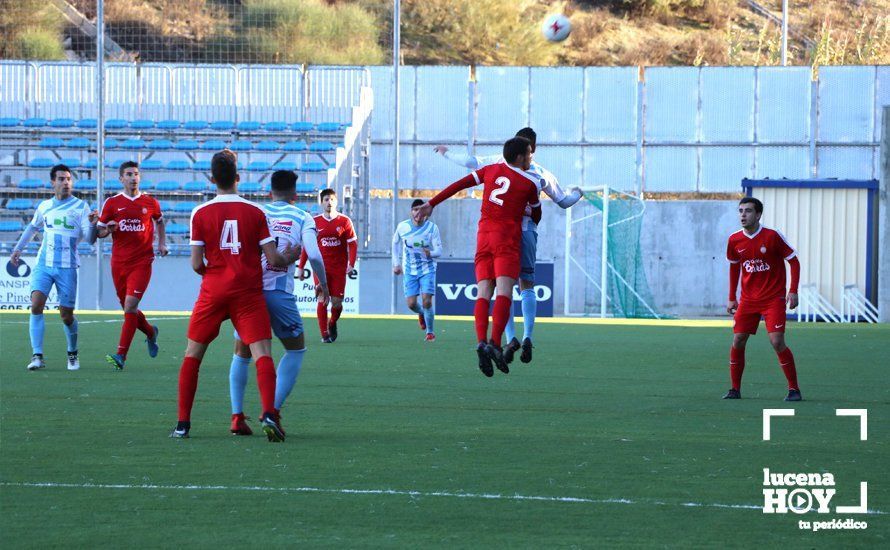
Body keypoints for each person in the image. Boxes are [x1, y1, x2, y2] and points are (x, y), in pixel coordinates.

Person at [170, 150, 299, 441]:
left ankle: (182, 424)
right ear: (238, 178)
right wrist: (290, 255)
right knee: (262, 353)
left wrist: (213, 275)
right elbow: (273, 259)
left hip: (213, 291)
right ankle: (268, 413)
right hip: (247, 292)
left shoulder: (200, 212)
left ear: (213, 178)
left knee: (193, 356)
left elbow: (195, 263)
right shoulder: (255, 212)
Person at [435, 127, 583, 364]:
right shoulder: (541, 175)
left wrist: (446, 154)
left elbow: (470, 162)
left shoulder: (497, 161)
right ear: (530, 150)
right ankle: (527, 337)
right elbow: (562, 202)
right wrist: (578, 193)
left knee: (501, 288)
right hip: (521, 233)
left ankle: (506, 338)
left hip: (490, 231)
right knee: (526, 285)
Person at [415, 137, 541, 377]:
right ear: (519, 157)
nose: (531, 158)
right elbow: (536, 214)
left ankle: (481, 342)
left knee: (484, 292)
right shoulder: (531, 182)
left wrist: (432, 203)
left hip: (484, 236)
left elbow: (460, 184)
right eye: (529, 154)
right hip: (507, 240)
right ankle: (494, 343)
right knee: (504, 292)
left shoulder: (490, 170)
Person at [228, 170, 329, 436]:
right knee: (296, 350)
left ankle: (237, 417)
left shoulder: (255, 212)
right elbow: (315, 255)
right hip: (279, 295)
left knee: (242, 353)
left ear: (269, 193)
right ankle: (271, 411)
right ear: (295, 195)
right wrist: (324, 286)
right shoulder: (302, 216)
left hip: (248, 293)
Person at [11, 164, 98, 371]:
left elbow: (90, 239)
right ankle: (37, 356)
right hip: (44, 264)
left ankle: (72, 353)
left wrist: (94, 224)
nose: (66, 182)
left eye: (68, 179)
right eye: (61, 179)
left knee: (66, 315)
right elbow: (33, 227)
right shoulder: (44, 206)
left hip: (67, 267)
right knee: (36, 305)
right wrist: (18, 249)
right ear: (53, 182)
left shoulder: (81, 207)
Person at [724, 197, 802, 402]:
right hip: (748, 300)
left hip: (773, 298)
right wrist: (732, 297)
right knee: (738, 339)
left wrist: (793, 291)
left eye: (748, 211)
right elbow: (734, 267)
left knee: (777, 341)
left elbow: (794, 261)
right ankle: (734, 389)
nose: (743, 215)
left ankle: (794, 389)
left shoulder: (772, 236)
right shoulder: (734, 240)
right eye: (740, 211)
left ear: (758, 215)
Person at [96, 161, 168, 370]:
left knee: (129, 306)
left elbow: (160, 221)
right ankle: (151, 332)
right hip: (118, 263)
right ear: (121, 179)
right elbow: (99, 232)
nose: (133, 177)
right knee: (130, 309)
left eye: (136, 174)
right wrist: (108, 229)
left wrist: (162, 243)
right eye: (129, 174)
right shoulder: (112, 203)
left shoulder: (150, 202)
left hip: (142, 261)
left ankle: (121, 355)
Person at [298, 188, 357, 343]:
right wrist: (301, 266)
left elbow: (353, 243)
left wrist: (351, 263)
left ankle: (332, 323)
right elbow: (307, 246)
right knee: (322, 298)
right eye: (326, 199)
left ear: (336, 202)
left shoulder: (345, 221)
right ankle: (324, 334)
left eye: (332, 199)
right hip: (320, 268)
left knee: (337, 303)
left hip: (338, 268)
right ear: (321, 202)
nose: (329, 202)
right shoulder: (314, 222)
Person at [392, 199, 442, 342]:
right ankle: (421, 313)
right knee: (412, 304)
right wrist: (396, 263)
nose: (417, 213)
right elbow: (395, 243)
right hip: (409, 270)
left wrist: (430, 253)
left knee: (426, 301)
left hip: (428, 269)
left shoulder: (432, 228)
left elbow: (439, 250)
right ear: (411, 212)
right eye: (415, 210)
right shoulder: (403, 227)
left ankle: (430, 332)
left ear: (426, 212)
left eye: (420, 210)